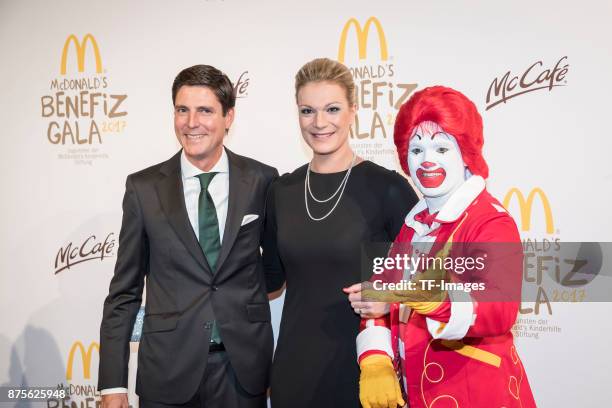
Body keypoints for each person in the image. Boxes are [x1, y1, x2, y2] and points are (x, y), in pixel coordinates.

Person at [98, 65, 278, 408]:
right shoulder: (143, 188)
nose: (191, 122)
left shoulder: (262, 180)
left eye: (205, 110)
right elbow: (125, 291)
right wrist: (111, 385)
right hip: (166, 369)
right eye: (182, 110)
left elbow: (274, 269)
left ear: (229, 117)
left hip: (242, 371)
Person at [350, 86, 537, 408]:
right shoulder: (413, 225)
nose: (427, 161)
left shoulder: (489, 222)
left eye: (441, 148)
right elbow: (384, 295)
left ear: (465, 153)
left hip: (477, 394)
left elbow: (498, 308)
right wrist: (375, 361)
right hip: (419, 395)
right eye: (416, 149)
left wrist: (420, 295)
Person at [263, 58, 419, 408]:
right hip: (293, 369)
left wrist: (392, 298)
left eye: (332, 109)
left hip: (366, 368)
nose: (319, 122)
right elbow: (270, 278)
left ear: (352, 111)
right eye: (307, 111)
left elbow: (431, 277)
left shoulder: (388, 188)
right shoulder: (282, 190)